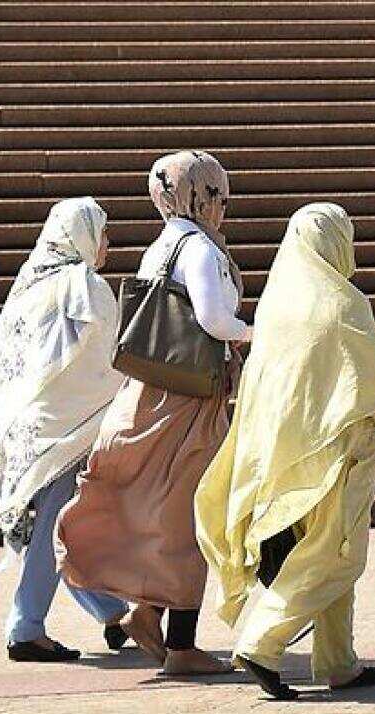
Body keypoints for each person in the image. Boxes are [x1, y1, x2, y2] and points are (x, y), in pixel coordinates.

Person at [195, 203, 375, 700]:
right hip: (336, 456)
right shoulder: (343, 305)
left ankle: (338, 663)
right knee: (335, 559)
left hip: (285, 456)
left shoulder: (277, 304)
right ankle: (261, 643)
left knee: (329, 552)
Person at [55, 151, 247, 676]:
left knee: (163, 513)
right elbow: (212, 319)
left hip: (150, 394)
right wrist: (250, 332)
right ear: (198, 196)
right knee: (189, 517)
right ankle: (181, 646)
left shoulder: (160, 245)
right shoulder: (201, 250)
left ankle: (148, 614)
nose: (223, 206)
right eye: (217, 195)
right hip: (189, 403)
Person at [0, 197, 130, 661]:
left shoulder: (31, 282)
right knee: (55, 526)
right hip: (66, 432)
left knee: (61, 524)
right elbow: (108, 359)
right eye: (102, 233)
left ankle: (112, 612)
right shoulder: (86, 287)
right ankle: (26, 627)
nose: (107, 243)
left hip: (28, 429)